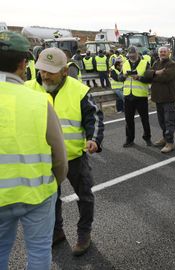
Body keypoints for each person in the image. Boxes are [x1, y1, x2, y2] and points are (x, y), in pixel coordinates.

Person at [24, 47, 104, 257]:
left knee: (85, 195)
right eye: (42, 70)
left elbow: (93, 117)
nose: (44, 75)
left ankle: (84, 233)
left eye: (50, 71)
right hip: (44, 158)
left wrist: (93, 139)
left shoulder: (79, 90)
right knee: (51, 199)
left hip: (75, 156)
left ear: (64, 71)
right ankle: (57, 231)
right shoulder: (28, 89)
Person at [0, 31, 68, 270]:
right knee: (39, 252)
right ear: (23, 63)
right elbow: (60, 157)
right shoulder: (39, 101)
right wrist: (53, 184)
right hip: (37, 194)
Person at [145, 47, 175, 153]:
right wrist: (156, 73)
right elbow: (147, 74)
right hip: (158, 97)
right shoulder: (156, 63)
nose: (162, 53)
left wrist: (154, 75)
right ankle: (165, 138)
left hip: (168, 97)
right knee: (162, 121)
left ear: (169, 53)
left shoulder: (172, 64)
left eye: (164, 52)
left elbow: (166, 77)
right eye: (161, 52)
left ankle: (170, 142)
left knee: (169, 121)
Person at [119, 46, 153, 147]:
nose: (131, 56)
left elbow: (150, 78)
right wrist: (123, 76)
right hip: (128, 96)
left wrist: (139, 78)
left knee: (144, 119)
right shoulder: (124, 64)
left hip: (141, 96)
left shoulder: (145, 63)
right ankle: (129, 139)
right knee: (128, 119)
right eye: (130, 54)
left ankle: (147, 138)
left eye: (133, 54)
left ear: (137, 53)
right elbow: (119, 77)